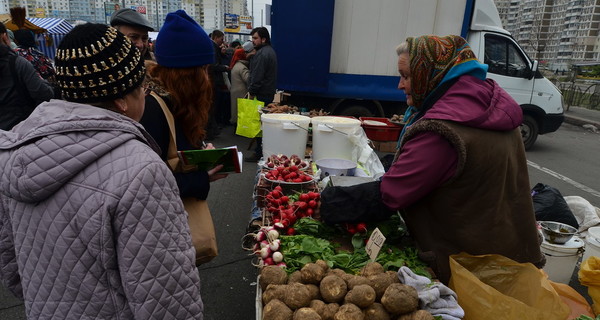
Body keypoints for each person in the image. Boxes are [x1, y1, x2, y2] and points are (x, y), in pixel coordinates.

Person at [0, 23, 203, 319]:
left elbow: (12, 266)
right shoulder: (140, 170)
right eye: (142, 88)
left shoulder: (15, 153)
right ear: (122, 100)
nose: (146, 96)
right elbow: (168, 302)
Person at [320, 35, 545, 284]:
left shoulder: (442, 130)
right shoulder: (490, 106)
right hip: (506, 253)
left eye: (406, 76)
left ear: (429, 73)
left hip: (466, 262)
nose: (400, 85)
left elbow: (390, 195)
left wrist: (326, 203)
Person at [141, 10, 227, 201]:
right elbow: (147, 187)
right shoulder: (152, 110)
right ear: (184, 75)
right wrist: (201, 178)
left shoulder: (177, 101)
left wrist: (201, 159)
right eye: (203, 70)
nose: (207, 78)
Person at [0, 22, 53, 130]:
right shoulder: (17, 62)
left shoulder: (17, 58)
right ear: (4, 36)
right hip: (17, 130)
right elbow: (43, 93)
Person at [245, 26, 277, 162]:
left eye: (255, 38)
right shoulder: (269, 51)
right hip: (267, 92)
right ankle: (263, 151)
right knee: (264, 126)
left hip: (260, 94)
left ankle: (259, 153)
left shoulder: (262, 54)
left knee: (258, 126)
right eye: (252, 38)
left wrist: (251, 93)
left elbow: (257, 76)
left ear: (263, 39)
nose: (253, 41)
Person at [209, 29, 232, 130]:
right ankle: (214, 127)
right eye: (221, 39)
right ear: (216, 37)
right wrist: (225, 67)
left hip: (214, 80)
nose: (222, 42)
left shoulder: (213, 47)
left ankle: (214, 126)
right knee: (215, 105)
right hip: (214, 80)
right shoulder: (213, 48)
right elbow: (214, 65)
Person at [229, 42, 254, 125]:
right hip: (241, 92)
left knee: (235, 110)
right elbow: (248, 79)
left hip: (235, 91)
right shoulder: (242, 67)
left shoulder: (236, 65)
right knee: (241, 111)